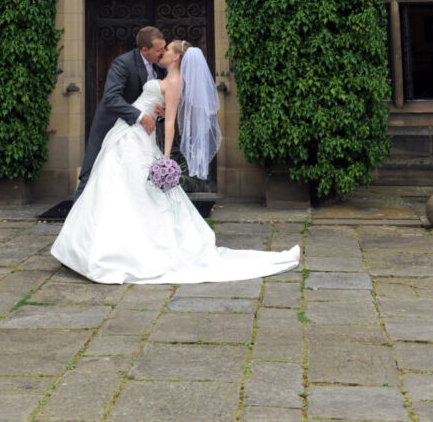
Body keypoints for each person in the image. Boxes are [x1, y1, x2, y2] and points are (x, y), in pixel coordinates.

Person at [51, 40, 300, 284]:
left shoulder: (175, 80)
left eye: (168, 49)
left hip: (138, 138)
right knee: (110, 184)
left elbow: (170, 122)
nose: (164, 53)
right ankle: (90, 246)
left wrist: (166, 158)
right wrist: (152, 112)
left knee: (128, 189)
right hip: (127, 131)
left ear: (177, 56)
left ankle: (120, 250)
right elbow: (152, 104)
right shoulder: (164, 74)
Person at [74, 25, 167, 199]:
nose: (163, 53)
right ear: (145, 50)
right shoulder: (123, 63)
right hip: (111, 126)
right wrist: (140, 117)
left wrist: (160, 114)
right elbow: (111, 98)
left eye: (164, 48)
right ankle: (75, 221)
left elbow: (152, 100)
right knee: (94, 172)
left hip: (138, 134)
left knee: (131, 178)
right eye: (159, 50)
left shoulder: (159, 68)